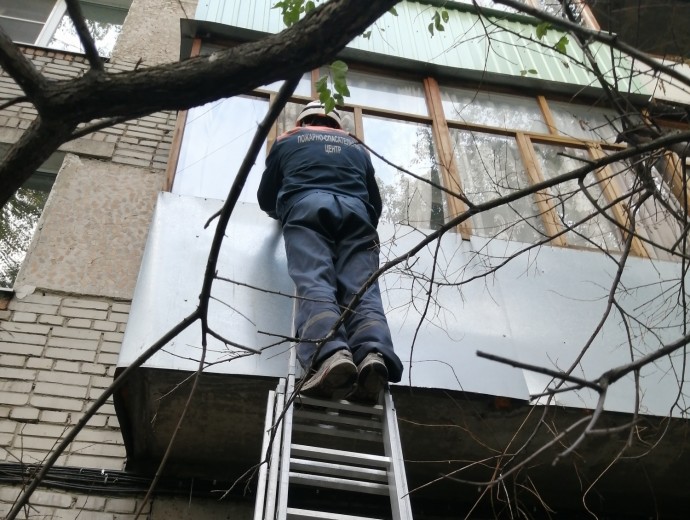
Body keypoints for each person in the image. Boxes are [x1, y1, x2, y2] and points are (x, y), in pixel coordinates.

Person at [257, 100, 403, 402]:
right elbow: (375, 202)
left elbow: (266, 198)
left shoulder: (287, 140)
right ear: (337, 124)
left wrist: (284, 211)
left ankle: (329, 355)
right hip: (357, 216)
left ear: (304, 120)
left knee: (315, 281)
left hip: (307, 209)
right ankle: (373, 355)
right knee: (363, 290)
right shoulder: (356, 147)